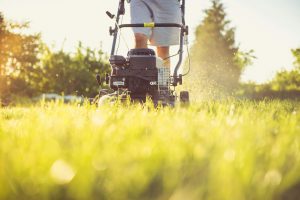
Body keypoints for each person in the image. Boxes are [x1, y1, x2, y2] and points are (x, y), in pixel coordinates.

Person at [129, 0, 182, 68]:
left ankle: (163, 78)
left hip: (167, 3)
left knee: (162, 48)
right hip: (141, 1)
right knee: (140, 37)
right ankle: (140, 74)